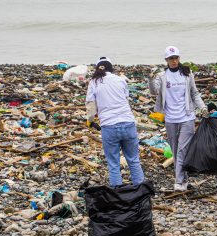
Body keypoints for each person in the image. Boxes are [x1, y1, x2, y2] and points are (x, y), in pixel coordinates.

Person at [149, 46, 208, 191]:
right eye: (171, 58)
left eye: (176, 58)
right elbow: (153, 91)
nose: (174, 61)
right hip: (170, 118)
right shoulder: (162, 76)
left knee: (182, 149)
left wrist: (202, 107)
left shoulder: (187, 74)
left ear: (179, 59)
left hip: (187, 116)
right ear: (166, 60)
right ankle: (184, 180)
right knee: (175, 150)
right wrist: (150, 80)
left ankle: (178, 181)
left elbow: (194, 93)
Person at [86, 56, 145, 187]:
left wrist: (90, 121)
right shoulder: (120, 80)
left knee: (114, 164)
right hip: (128, 123)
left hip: (109, 126)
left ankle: (117, 195)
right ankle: (142, 192)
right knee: (134, 160)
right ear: (111, 68)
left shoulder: (94, 82)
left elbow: (91, 106)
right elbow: (125, 98)